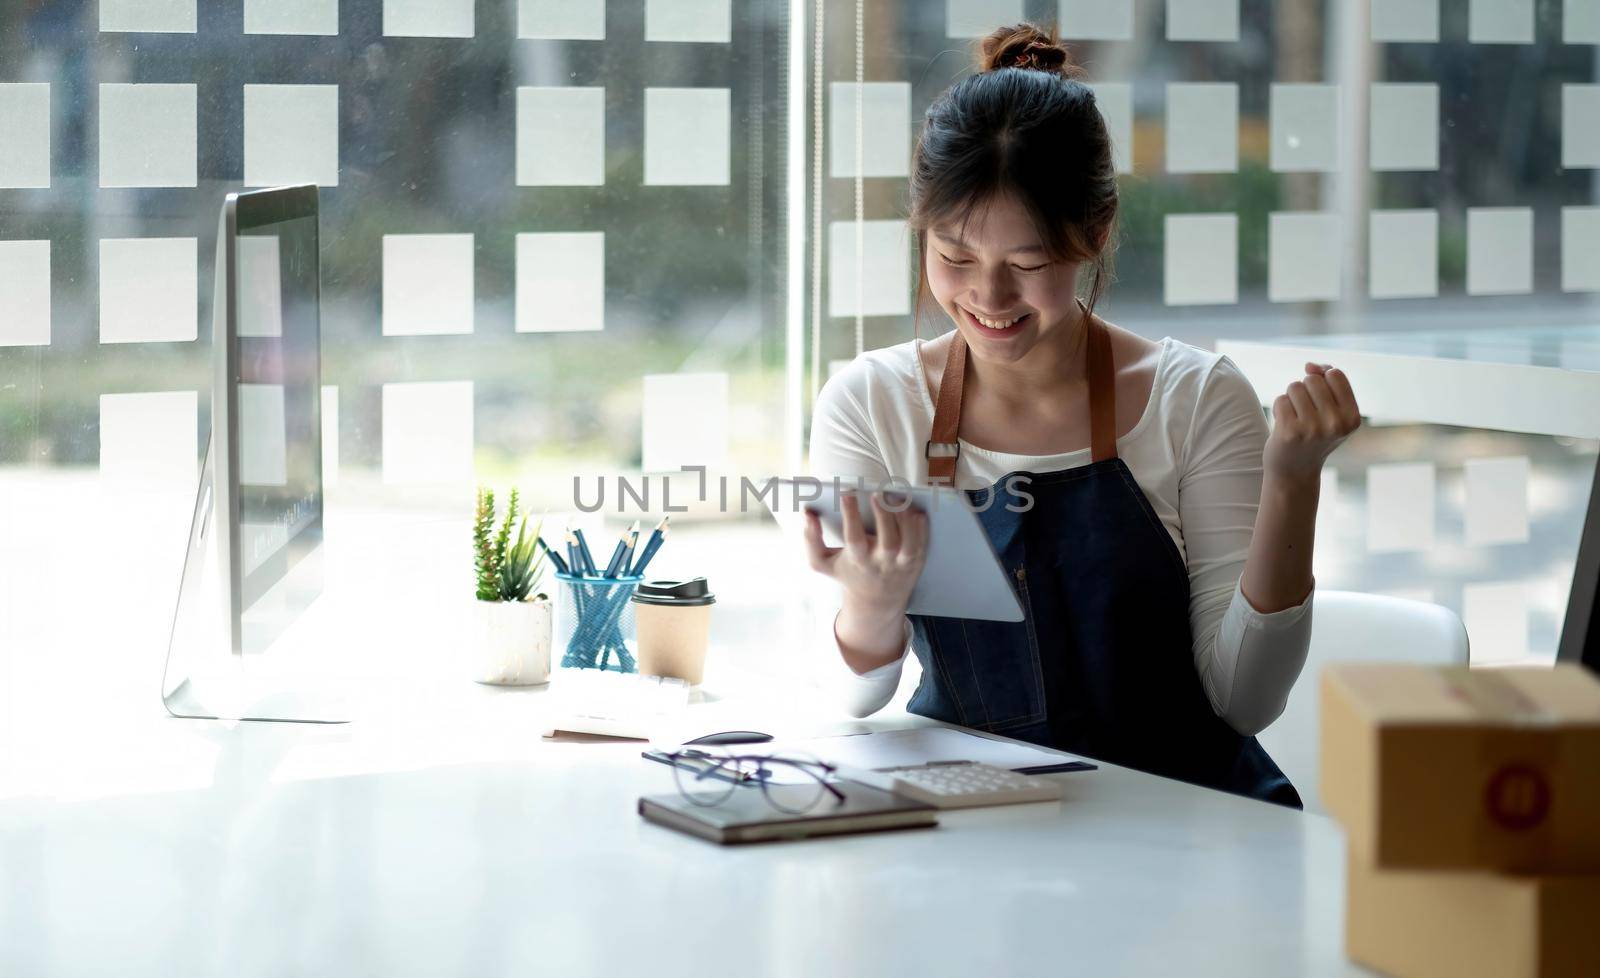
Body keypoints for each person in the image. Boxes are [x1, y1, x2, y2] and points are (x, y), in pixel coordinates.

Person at [801, 24, 1361, 807]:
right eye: (954, 258)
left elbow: (1244, 701)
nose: (987, 300)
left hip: (1191, 829)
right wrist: (870, 599)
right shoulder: (872, 403)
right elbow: (856, 701)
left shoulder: (1194, 400)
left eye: (1028, 266)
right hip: (980, 819)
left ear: (1093, 235)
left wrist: (1293, 484)